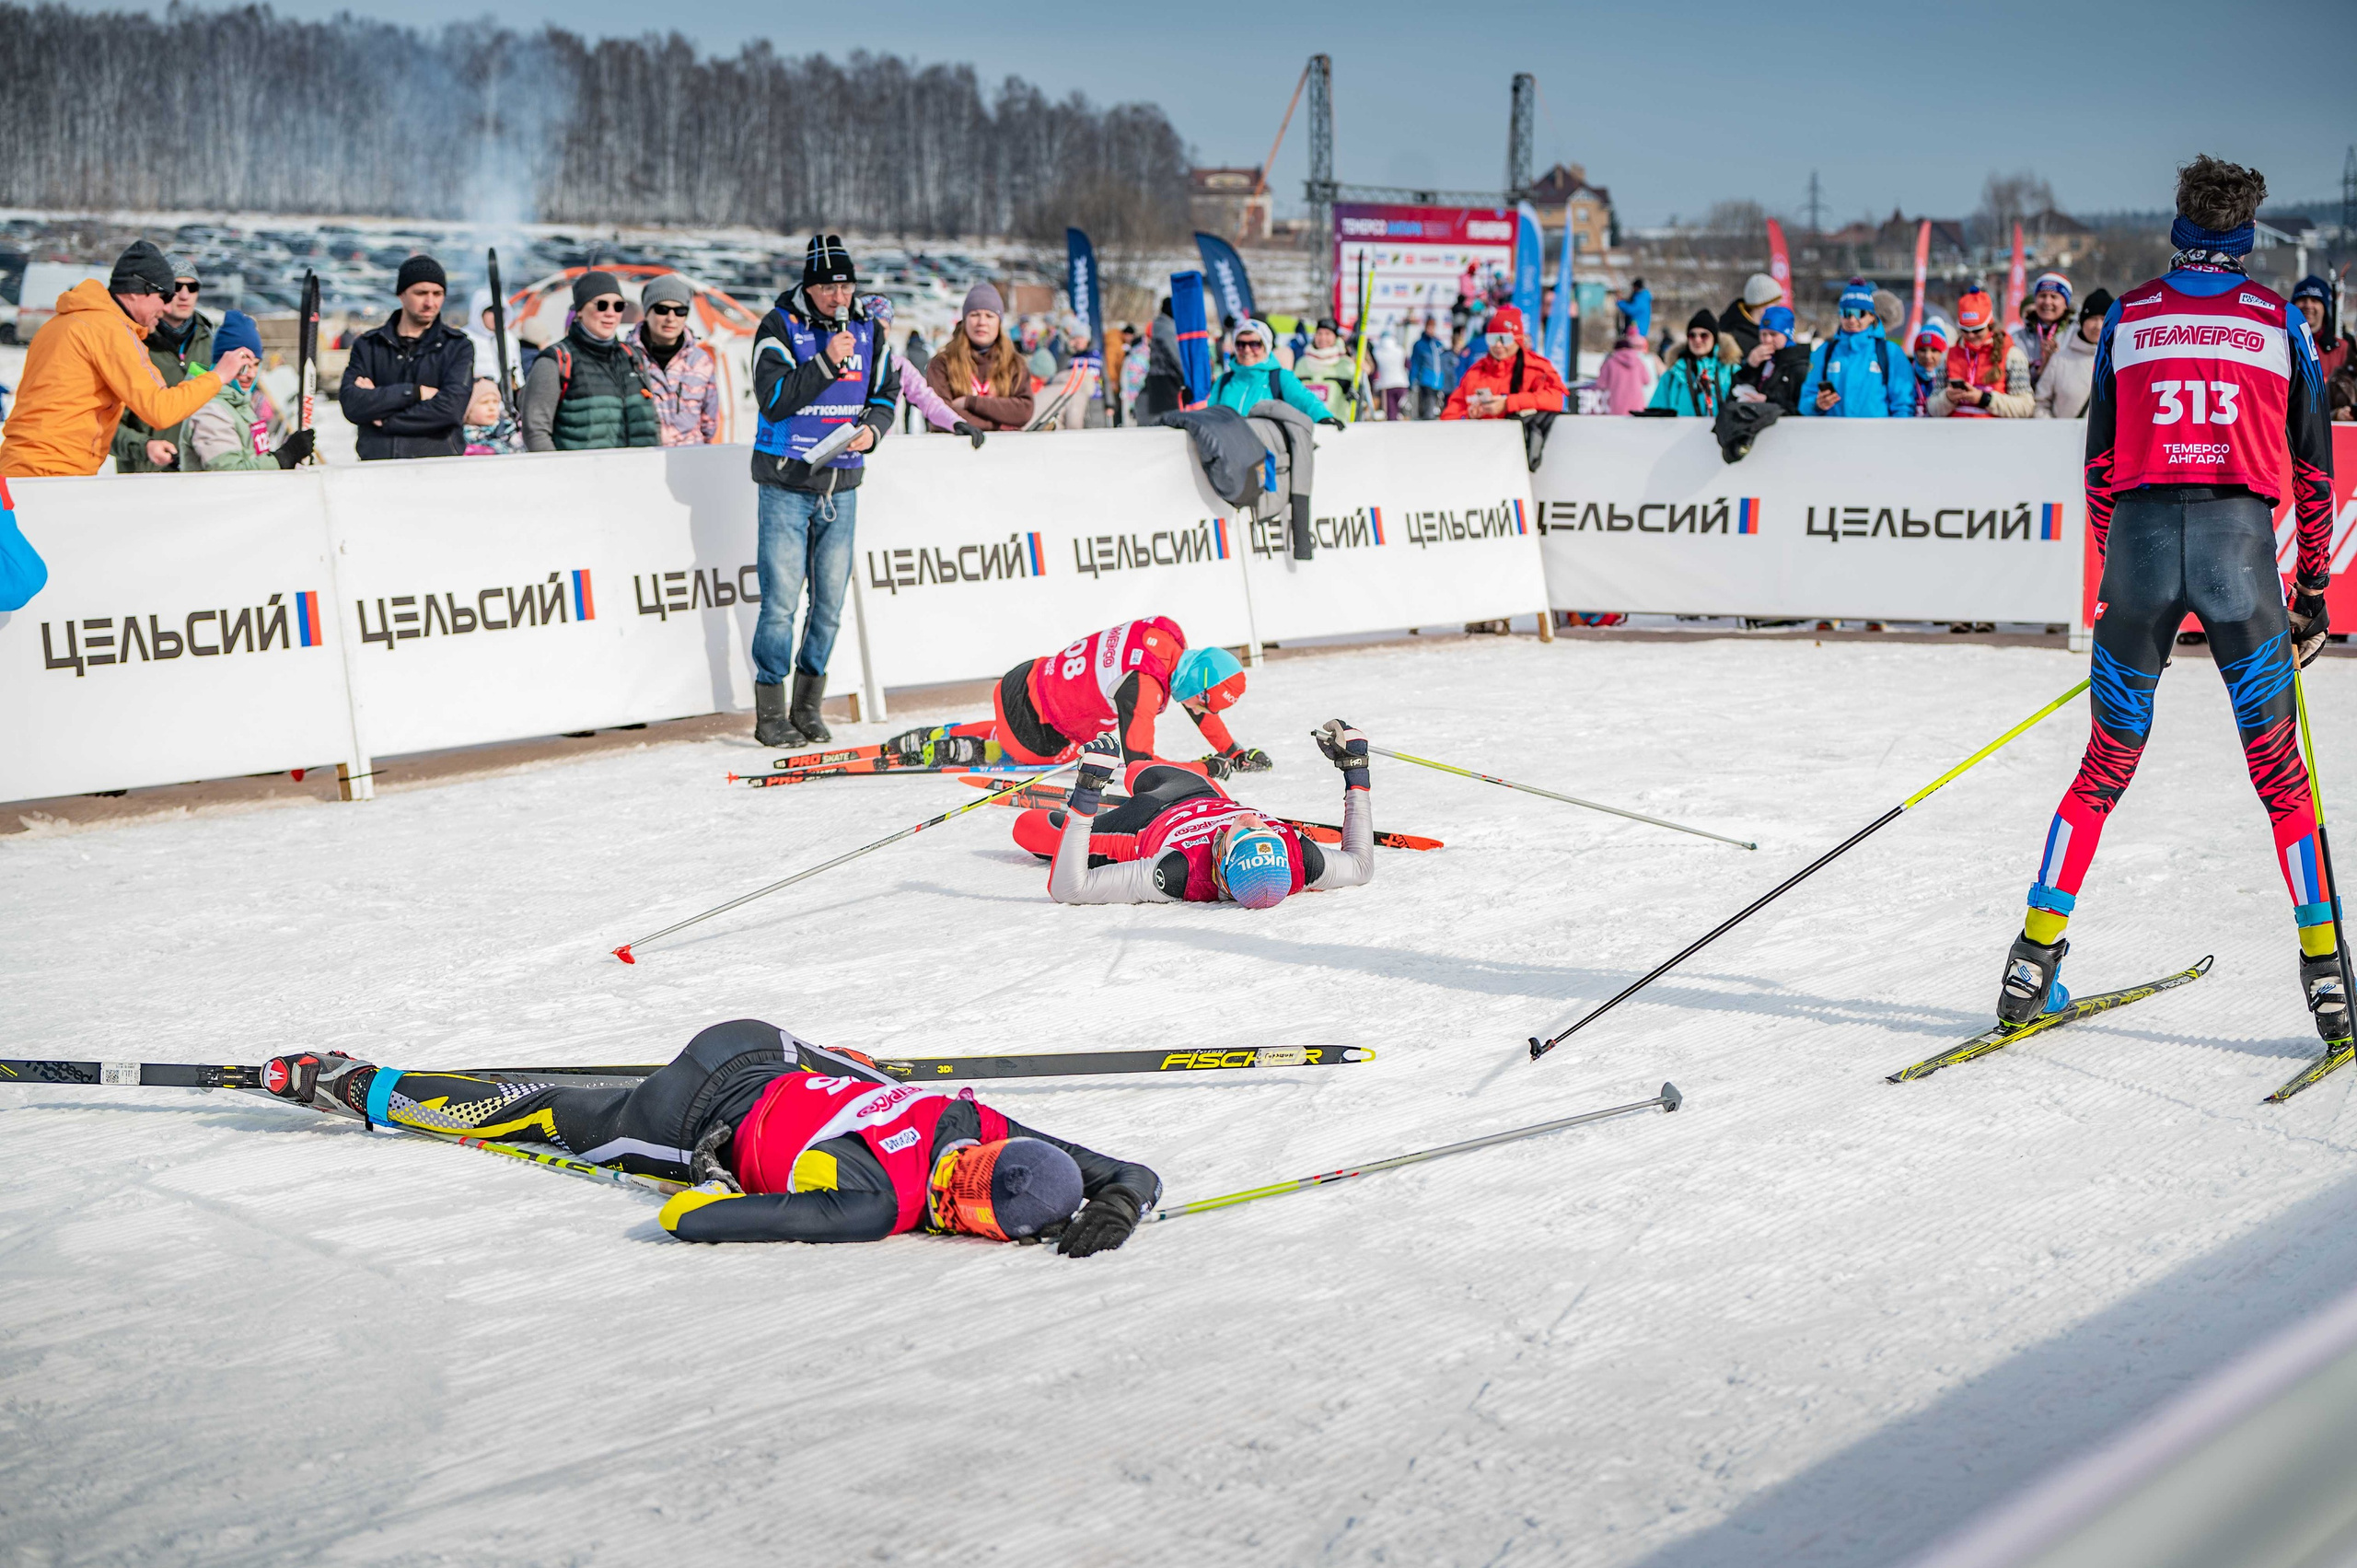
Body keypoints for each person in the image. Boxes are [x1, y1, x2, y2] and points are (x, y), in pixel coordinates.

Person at [1993, 154, 2342, 1051]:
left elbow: (2099, 466)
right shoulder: (2276, 319)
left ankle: (2031, 958)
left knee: (2102, 766)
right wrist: (2310, 590)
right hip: (2238, 557)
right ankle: (2328, 981)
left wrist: (2121, 574)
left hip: (2140, 557)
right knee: (2281, 779)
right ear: (2243, 237)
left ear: (2180, 227)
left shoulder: (2131, 316)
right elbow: (2313, 470)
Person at [257, 1021, 1158, 1254]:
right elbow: (690, 1221)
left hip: (763, 1041)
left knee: (875, 1085)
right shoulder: (875, 1205)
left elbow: (1128, 1168)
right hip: (684, 1113)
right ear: (967, 1213)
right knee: (535, 1115)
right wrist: (719, 1185)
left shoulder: (977, 1123)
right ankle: (359, 1086)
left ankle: (844, 1067)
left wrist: (1118, 1190)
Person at [747, 236, 898, 749]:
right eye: (830, 287)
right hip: (787, 484)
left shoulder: (869, 327)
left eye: (847, 285)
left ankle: (807, 705)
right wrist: (827, 364)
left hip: (843, 483)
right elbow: (774, 400)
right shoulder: (777, 326)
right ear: (810, 288)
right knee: (781, 603)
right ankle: (770, 710)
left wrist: (874, 430)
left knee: (829, 604)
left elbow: (885, 394)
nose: (840, 296)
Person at [1037, 721, 1373, 909]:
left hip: (1142, 824)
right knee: (1137, 767)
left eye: (1243, 834)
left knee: (1033, 828)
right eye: (1266, 831)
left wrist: (1087, 791)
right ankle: (1208, 767)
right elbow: (1360, 867)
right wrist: (1355, 771)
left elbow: (1070, 889)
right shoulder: (1301, 858)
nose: (1253, 821)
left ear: (1221, 862)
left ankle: (1100, 785)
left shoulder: (1179, 872)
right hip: (1200, 793)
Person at [880, 620, 1268, 782]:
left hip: (1025, 676)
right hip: (1039, 732)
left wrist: (1233, 751)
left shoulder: (1166, 639)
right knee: (1079, 755)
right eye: (1205, 703)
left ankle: (944, 736)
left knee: (1081, 732)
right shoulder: (1144, 686)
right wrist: (1205, 769)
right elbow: (1138, 767)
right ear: (1195, 687)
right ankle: (971, 748)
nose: (1202, 712)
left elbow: (1196, 704)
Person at [0, 241, 254, 479]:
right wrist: (218, 375)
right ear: (137, 291)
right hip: (53, 471)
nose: (167, 306)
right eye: (165, 296)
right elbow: (160, 409)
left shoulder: (65, 322)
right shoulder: (110, 330)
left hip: (20, 465)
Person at [341, 255, 473, 459]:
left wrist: (386, 419)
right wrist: (414, 393)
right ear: (401, 294)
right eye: (421, 293)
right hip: (377, 468)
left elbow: (450, 409)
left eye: (437, 293)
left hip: (437, 467)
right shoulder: (369, 345)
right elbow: (352, 404)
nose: (430, 302)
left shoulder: (457, 346)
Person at [521, 270, 663, 453]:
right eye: (601, 305)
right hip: (582, 477)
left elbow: (652, 420)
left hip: (638, 473)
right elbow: (535, 429)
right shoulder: (557, 360)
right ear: (580, 311)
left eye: (619, 306)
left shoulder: (633, 356)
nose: (611, 313)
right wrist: (557, 472)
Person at [111, 251, 214, 474]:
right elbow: (107, 425)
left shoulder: (211, 345)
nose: (184, 295)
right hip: (146, 479)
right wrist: (144, 447)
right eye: (176, 286)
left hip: (200, 476)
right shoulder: (132, 345)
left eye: (192, 287)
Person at [184, 310, 314, 471]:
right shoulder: (210, 408)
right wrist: (283, 458)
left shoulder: (238, 402)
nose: (251, 374)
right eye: (244, 365)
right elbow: (229, 473)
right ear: (223, 361)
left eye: (256, 364)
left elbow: (251, 457)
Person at [863, 296, 978, 443]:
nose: (875, 333)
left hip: (881, 448)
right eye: (869, 327)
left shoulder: (898, 366)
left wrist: (956, 422)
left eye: (882, 328)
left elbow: (928, 400)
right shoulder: (840, 360)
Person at [923, 284, 1033, 433]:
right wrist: (998, 425)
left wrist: (970, 403)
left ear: (999, 322)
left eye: (989, 316)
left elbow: (1023, 411)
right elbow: (940, 415)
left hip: (1004, 452)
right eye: (975, 315)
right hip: (955, 452)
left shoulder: (1014, 364)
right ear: (965, 320)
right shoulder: (943, 363)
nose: (982, 322)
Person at [1800, 280, 1914, 418]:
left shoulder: (1890, 352)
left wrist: (1895, 436)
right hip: (1834, 436)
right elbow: (1805, 403)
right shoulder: (1824, 352)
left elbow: (1903, 405)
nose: (1852, 319)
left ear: (1872, 316)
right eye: (1846, 313)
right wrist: (1817, 404)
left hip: (1877, 437)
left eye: (1860, 313)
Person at [631, 273, 722, 446]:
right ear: (647, 311)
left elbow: (709, 422)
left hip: (690, 460)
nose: (671, 318)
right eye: (662, 309)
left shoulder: (700, 362)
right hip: (643, 459)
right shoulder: (626, 357)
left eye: (680, 311)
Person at [1205, 319, 1341, 425]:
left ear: (1266, 346)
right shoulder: (1224, 381)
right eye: (1240, 344)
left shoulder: (1279, 378)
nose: (1247, 350)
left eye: (1254, 344)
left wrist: (1324, 417)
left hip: (1267, 455)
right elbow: (1209, 414)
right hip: (1227, 452)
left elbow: (1306, 401)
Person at [1445, 305, 1570, 420]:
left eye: (1505, 339)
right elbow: (1448, 415)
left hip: (1522, 442)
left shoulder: (1535, 368)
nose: (1498, 345)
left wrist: (1508, 403)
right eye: (1493, 339)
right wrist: (1468, 415)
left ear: (1518, 340)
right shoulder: (1476, 373)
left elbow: (1555, 399)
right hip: (1482, 441)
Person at [1929, 287, 2034, 418]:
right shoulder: (1948, 355)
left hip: (1995, 435)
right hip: (1955, 434)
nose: (1971, 336)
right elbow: (1932, 408)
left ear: (1989, 326)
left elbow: (2026, 407)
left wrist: (1985, 399)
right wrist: (1948, 398)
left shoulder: (2012, 356)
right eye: (1965, 330)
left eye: (1977, 330)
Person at [2033, 289, 2110, 420]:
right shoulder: (2060, 360)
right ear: (2082, 321)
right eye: (2092, 318)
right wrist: (2056, 431)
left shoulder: (2121, 361)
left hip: (2107, 440)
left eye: (2104, 319)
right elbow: (2040, 403)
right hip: (2065, 438)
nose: (2098, 326)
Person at [1648, 310, 1736, 416]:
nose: (1697, 340)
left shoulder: (1732, 371)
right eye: (1692, 335)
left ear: (1715, 339)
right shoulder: (1672, 376)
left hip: (1722, 432)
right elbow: (1655, 413)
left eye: (1704, 335)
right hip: (1681, 432)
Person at [1732, 306, 1811, 412]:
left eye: (1774, 334)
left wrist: (1768, 401)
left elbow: (1802, 407)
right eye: (1763, 334)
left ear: (1787, 335)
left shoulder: (1800, 366)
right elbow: (1734, 392)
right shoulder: (1762, 360)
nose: (1767, 340)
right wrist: (1749, 367)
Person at [2012, 272, 2074, 384]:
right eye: (2042, 296)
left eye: (2054, 297)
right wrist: (2041, 367)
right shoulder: (2018, 338)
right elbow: (2014, 381)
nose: (2047, 302)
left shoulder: (2076, 334)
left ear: (2066, 303)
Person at [2292, 276, 2349, 389]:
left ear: (2324, 306)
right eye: (2303, 299)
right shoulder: (2283, 343)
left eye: (2315, 300)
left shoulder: (2341, 348)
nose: (2308, 305)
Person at [1293, 319, 1354, 420]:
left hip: (1336, 424)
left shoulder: (1345, 364)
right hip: (1307, 424)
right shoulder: (1302, 363)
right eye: (1319, 333)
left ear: (1335, 337)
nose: (1323, 338)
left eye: (1327, 333)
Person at [1138, 297, 1186, 422]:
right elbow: (1177, 357)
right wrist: (1188, 376)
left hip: (1158, 382)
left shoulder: (1159, 326)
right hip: (1167, 384)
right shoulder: (1167, 330)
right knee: (1168, 422)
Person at [1591, 326, 1656, 415]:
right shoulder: (1638, 361)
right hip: (1637, 404)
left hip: (1617, 405)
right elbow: (1647, 380)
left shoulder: (1610, 362)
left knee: (1619, 428)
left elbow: (1601, 384)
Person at [1717, 273, 1782, 359]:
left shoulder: (1773, 329)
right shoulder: (1733, 336)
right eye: (1775, 304)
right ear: (1761, 305)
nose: (1778, 309)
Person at [460, 377, 522, 455]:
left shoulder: (510, 430)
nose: (491, 408)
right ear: (468, 408)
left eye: (495, 402)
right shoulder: (459, 438)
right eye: (484, 402)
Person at [1409, 317, 1451, 420]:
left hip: (1438, 380)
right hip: (1426, 379)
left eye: (1433, 327)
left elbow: (1444, 362)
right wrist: (1412, 379)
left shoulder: (1438, 344)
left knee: (1438, 405)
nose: (1431, 329)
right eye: (1429, 327)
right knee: (1428, 404)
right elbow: (1415, 363)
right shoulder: (1420, 344)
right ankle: (1427, 423)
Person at [1909, 317, 1952, 415]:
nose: (1928, 356)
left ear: (1943, 354)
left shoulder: (1950, 377)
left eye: (1934, 350)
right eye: (1923, 350)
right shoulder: (1906, 374)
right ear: (1916, 353)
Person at [1372, 328, 1409, 420]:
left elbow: (1374, 370)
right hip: (1402, 384)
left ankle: (1392, 431)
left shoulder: (1377, 352)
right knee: (1403, 410)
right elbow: (1408, 365)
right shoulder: (1400, 350)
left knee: (1391, 412)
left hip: (1386, 385)